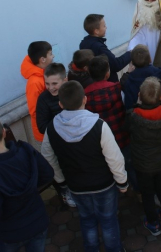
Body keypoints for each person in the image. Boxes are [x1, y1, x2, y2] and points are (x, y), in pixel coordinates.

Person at [41, 81, 128, 252]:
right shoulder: (99, 126)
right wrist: (122, 181)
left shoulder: (51, 129)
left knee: (87, 220)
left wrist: (61, 179)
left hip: (76, 186)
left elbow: (47, 157)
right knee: (109, 221)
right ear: (85, 99)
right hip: (104, 186)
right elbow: (114, 158)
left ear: (60, 104)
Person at [0, 113, 54, 252]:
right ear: (4, 132)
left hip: (11, 234)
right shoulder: (26, 151)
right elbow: (48, 174)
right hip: (38, 223)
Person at [124, 77, 161, 236]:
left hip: (142, 164)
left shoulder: (133, 115)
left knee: (147, 194)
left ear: (139, 95)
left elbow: (126, 129)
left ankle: (153, 223)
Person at [85, 55, 137, 191]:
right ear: (108, 73)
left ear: (90, 74)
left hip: (101, 143)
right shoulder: (117, 89)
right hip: (122, 137)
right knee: (131, 167)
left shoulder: (84, 96)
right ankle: (138, 192)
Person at [35, 62, 76, 208]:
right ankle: (65, 188)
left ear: (64, 80)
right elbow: (41, 126)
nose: (50, 87)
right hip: (57, 142)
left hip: (75, 139)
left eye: (54, 83)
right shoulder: (43, 99)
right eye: (47, 83)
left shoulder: (72, 91)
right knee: (57, 166)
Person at [79, 14, 131, 82]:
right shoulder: (99, 47)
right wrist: (131, 53)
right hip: (108, 85)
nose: (106, 27)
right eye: (104, 26)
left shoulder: (83, 43)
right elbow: (116, 65)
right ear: (96, 31)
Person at [20, 41, 54, 144]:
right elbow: (35, 110)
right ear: (42, 59)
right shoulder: (34, 82)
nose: (53, 56)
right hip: (45, 130)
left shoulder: (43, 74)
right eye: (50, 54)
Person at [122, 44, 161, 110]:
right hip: (159, 112)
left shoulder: (129, 81)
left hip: (139, 116)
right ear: (150, 59)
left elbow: (129, 107)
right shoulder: (160, 73)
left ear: (132, 62)